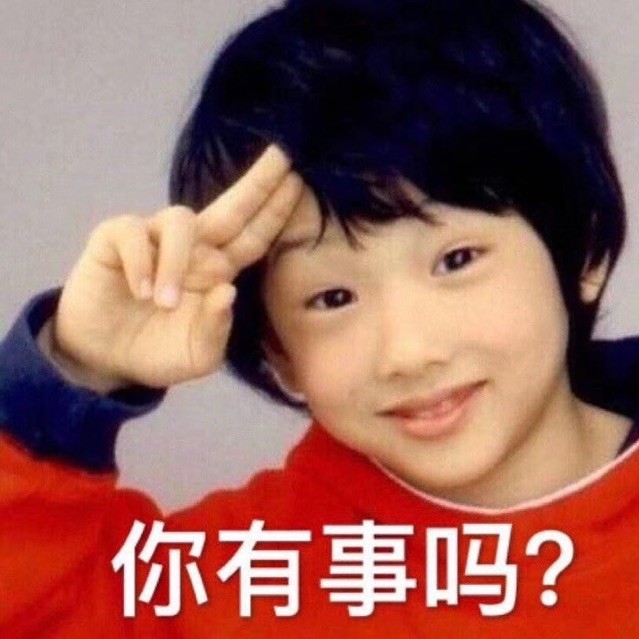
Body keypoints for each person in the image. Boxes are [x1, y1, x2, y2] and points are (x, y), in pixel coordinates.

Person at [1, 0, 638, 636]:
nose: (409, 352)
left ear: (582, 251)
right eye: (332, 298)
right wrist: (73, 373)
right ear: (277, 352)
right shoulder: (246, 578)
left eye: (456, 260)